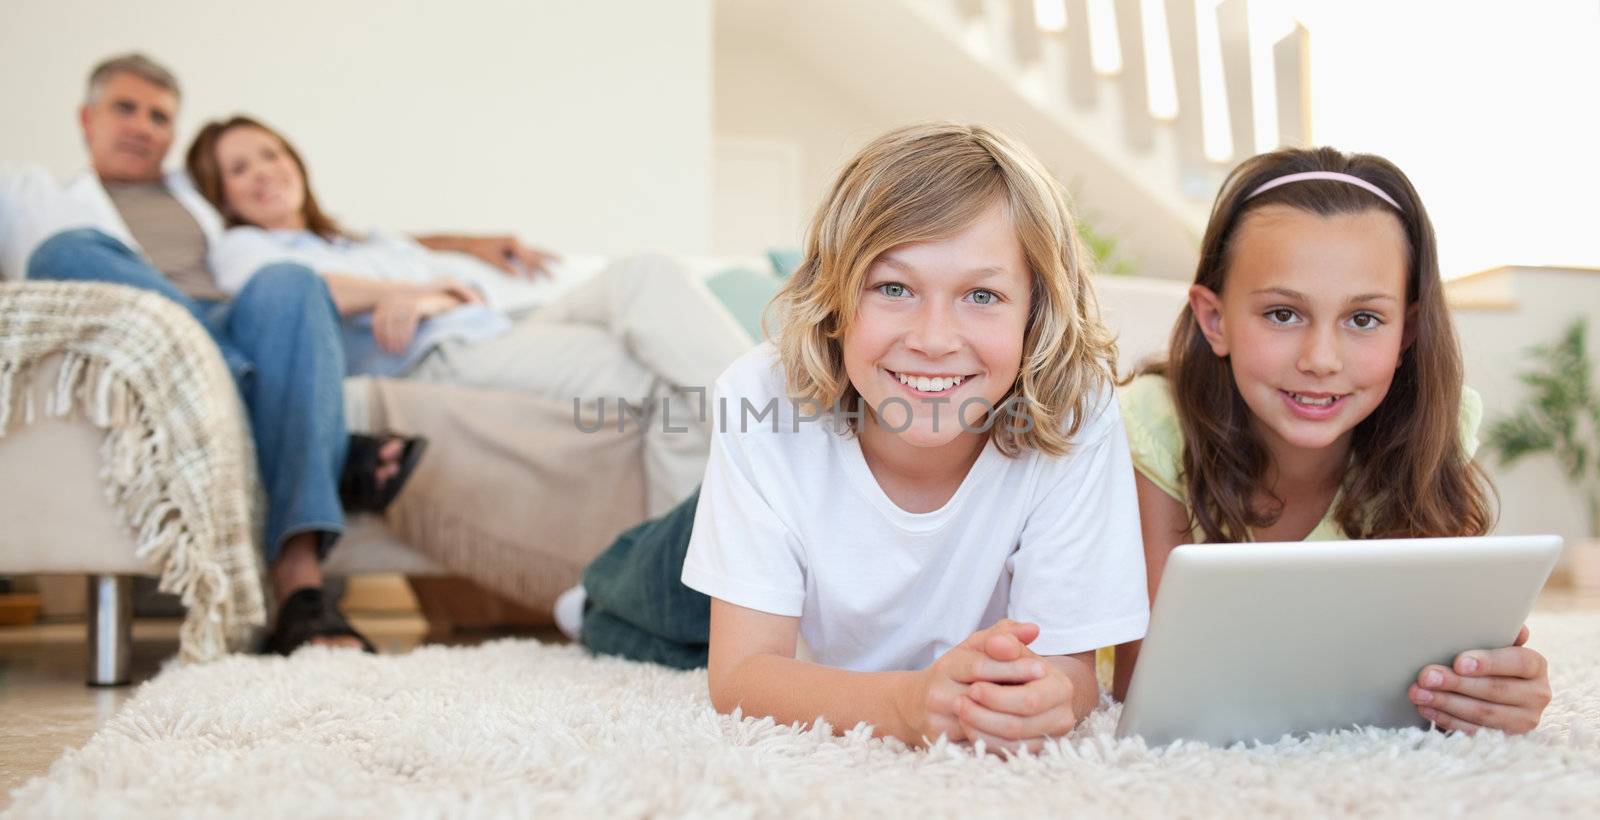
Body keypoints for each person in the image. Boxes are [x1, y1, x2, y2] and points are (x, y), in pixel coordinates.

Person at [582, 123, 1150, 752]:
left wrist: (1041, 699)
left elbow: (1073, 676)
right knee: (631, 617)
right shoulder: (761, 394)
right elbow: (740, 673)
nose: (934, 339)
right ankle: (576, 601)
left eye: (982, 295)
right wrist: (906, 705)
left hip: (823, 586)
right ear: (834, 298)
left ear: (1035, 312)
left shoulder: (1077, 409)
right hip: (745, 532)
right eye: (893, 288)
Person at [1109, 147, 1553, 735]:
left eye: (1363, 319)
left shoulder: (1431, 426)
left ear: (1408, 332)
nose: (1321, 360)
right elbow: (1147, 683)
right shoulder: (1154, 424)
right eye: (1282, 314)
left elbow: (1438, 655)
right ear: (1215, 321)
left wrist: (1487, 685)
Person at [20, 54, 439, 654]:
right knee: (63, 251)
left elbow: (332, 230)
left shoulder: (202, 192)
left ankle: (299, 589)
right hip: (151, 338)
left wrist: (469, 244)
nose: (143, 125)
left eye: (160, 116)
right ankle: (291, 418)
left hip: (235, 325)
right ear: (87, 119)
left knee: (293, 279)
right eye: (125, 108)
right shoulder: (37, 195)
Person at [184, 115, 754, 515]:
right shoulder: (242, 250)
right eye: (239, 168)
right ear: (223, 196)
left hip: (500, 325)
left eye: (270, 153)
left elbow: (451, 286)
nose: (263, 171)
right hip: (442, 357)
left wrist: (435, 283)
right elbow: (301, 294)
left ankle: (773, 409)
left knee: (646, 270)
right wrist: (408, 294)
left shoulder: (354, 242)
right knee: (657, 378)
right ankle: (700, 554)